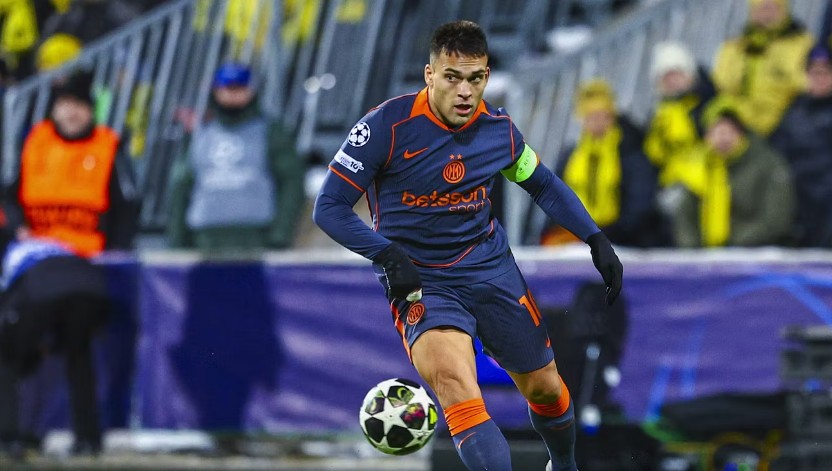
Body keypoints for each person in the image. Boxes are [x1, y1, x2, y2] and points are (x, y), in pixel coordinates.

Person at [313, 20, 623, 471]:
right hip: (422, 282)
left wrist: (595, 239)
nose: (464, 91)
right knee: (457, 386)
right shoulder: (386, 126)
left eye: (475, 79)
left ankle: (564, 466)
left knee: (546, 388)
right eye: (452, 77)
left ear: (487, 76)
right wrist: (388, 254)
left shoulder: (498, 131)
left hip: (490, 267)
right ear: (429, 75)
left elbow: (543, 185)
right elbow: (329, 207)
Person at [166, 62, 305, 251]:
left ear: (251, 91)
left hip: (256, 237)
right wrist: (178, 239)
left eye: (239, 88)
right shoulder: (200, 135)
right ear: (215, 91)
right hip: (205, 238)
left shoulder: (270, 132)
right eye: (227, 88)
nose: (232, 95)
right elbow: (180, 185)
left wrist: (280, 234)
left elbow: (291, 182)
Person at [0, 228, 110, 456]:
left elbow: (10, 308)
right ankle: (89, 439)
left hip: (44, 288)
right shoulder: (55, 245)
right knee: (79, 359)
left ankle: (8, 437)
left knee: (6, 356)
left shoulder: (14, 252)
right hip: (92, 286)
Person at [6, 69, 139, 258]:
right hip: (35, 250)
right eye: (65, 105)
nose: (72, 113)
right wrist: (17, 226)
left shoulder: (108, 146)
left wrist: (116, 250)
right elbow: (8, 196)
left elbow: (127, 205)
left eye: (79, 105)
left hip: (89, 255)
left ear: (90, 111)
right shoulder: (35, 142)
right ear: (55, 109)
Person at [540, 78, 660, 248]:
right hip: (577, 237)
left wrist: (611, 232)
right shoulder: (570, 156)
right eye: (590, 117)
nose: (596, 122)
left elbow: (639, 203)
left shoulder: (629, 151)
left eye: (602, 116)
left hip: (622, 239)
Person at [661, 97, 794, 247]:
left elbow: (775, 219)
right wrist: (693, 249)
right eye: (716, 131)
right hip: (705, 254)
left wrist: (732, 245)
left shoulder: (768, 164)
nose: (723, 137)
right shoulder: (697, 167)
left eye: (730, 131)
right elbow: (684, 216)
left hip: (754, 251)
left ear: (742, 133)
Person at [711, 0, 814, 136]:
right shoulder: (734, 46)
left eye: (773, 8)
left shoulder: (804, 45)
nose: (767, 15)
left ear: (784, 10)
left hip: (783, 128)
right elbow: (720, 84)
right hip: (737, 125)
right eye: (761, 8)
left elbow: (810, 86)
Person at [769, 42, 832, 247]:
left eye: (825, 72)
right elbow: (777, 149)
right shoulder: (795, 108)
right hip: (797, 194)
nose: (819, 78)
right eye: (814, 72)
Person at [644, 41, 716, 186]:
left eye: (677, 74)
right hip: (673, 182)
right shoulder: (659, 115)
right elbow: (654, 154)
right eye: (666, 77)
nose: (672, 81)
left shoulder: (707, 104)